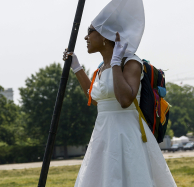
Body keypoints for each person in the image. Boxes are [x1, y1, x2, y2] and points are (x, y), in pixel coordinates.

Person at [67, 26, 176, 187]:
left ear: (105, 35)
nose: (85, 37)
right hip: (102, 135)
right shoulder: (100, 68)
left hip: (127, 135)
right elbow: (97, 99)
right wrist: (76, 68)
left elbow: (124, 100)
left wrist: (116, 63)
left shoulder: (131, 62)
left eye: (90, 31)